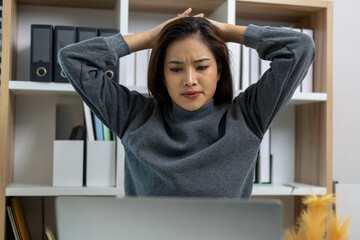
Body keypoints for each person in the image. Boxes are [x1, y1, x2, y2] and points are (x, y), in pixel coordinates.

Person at [58, 8, 315, 198]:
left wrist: (224, 31)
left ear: (219, 71)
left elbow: (299, 48)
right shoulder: (133, 116)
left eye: (202, 66)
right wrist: (151, 37)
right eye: (176, 69)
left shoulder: (248, 116)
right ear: (163, 76)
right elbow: (73, 59)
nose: (189, 80)